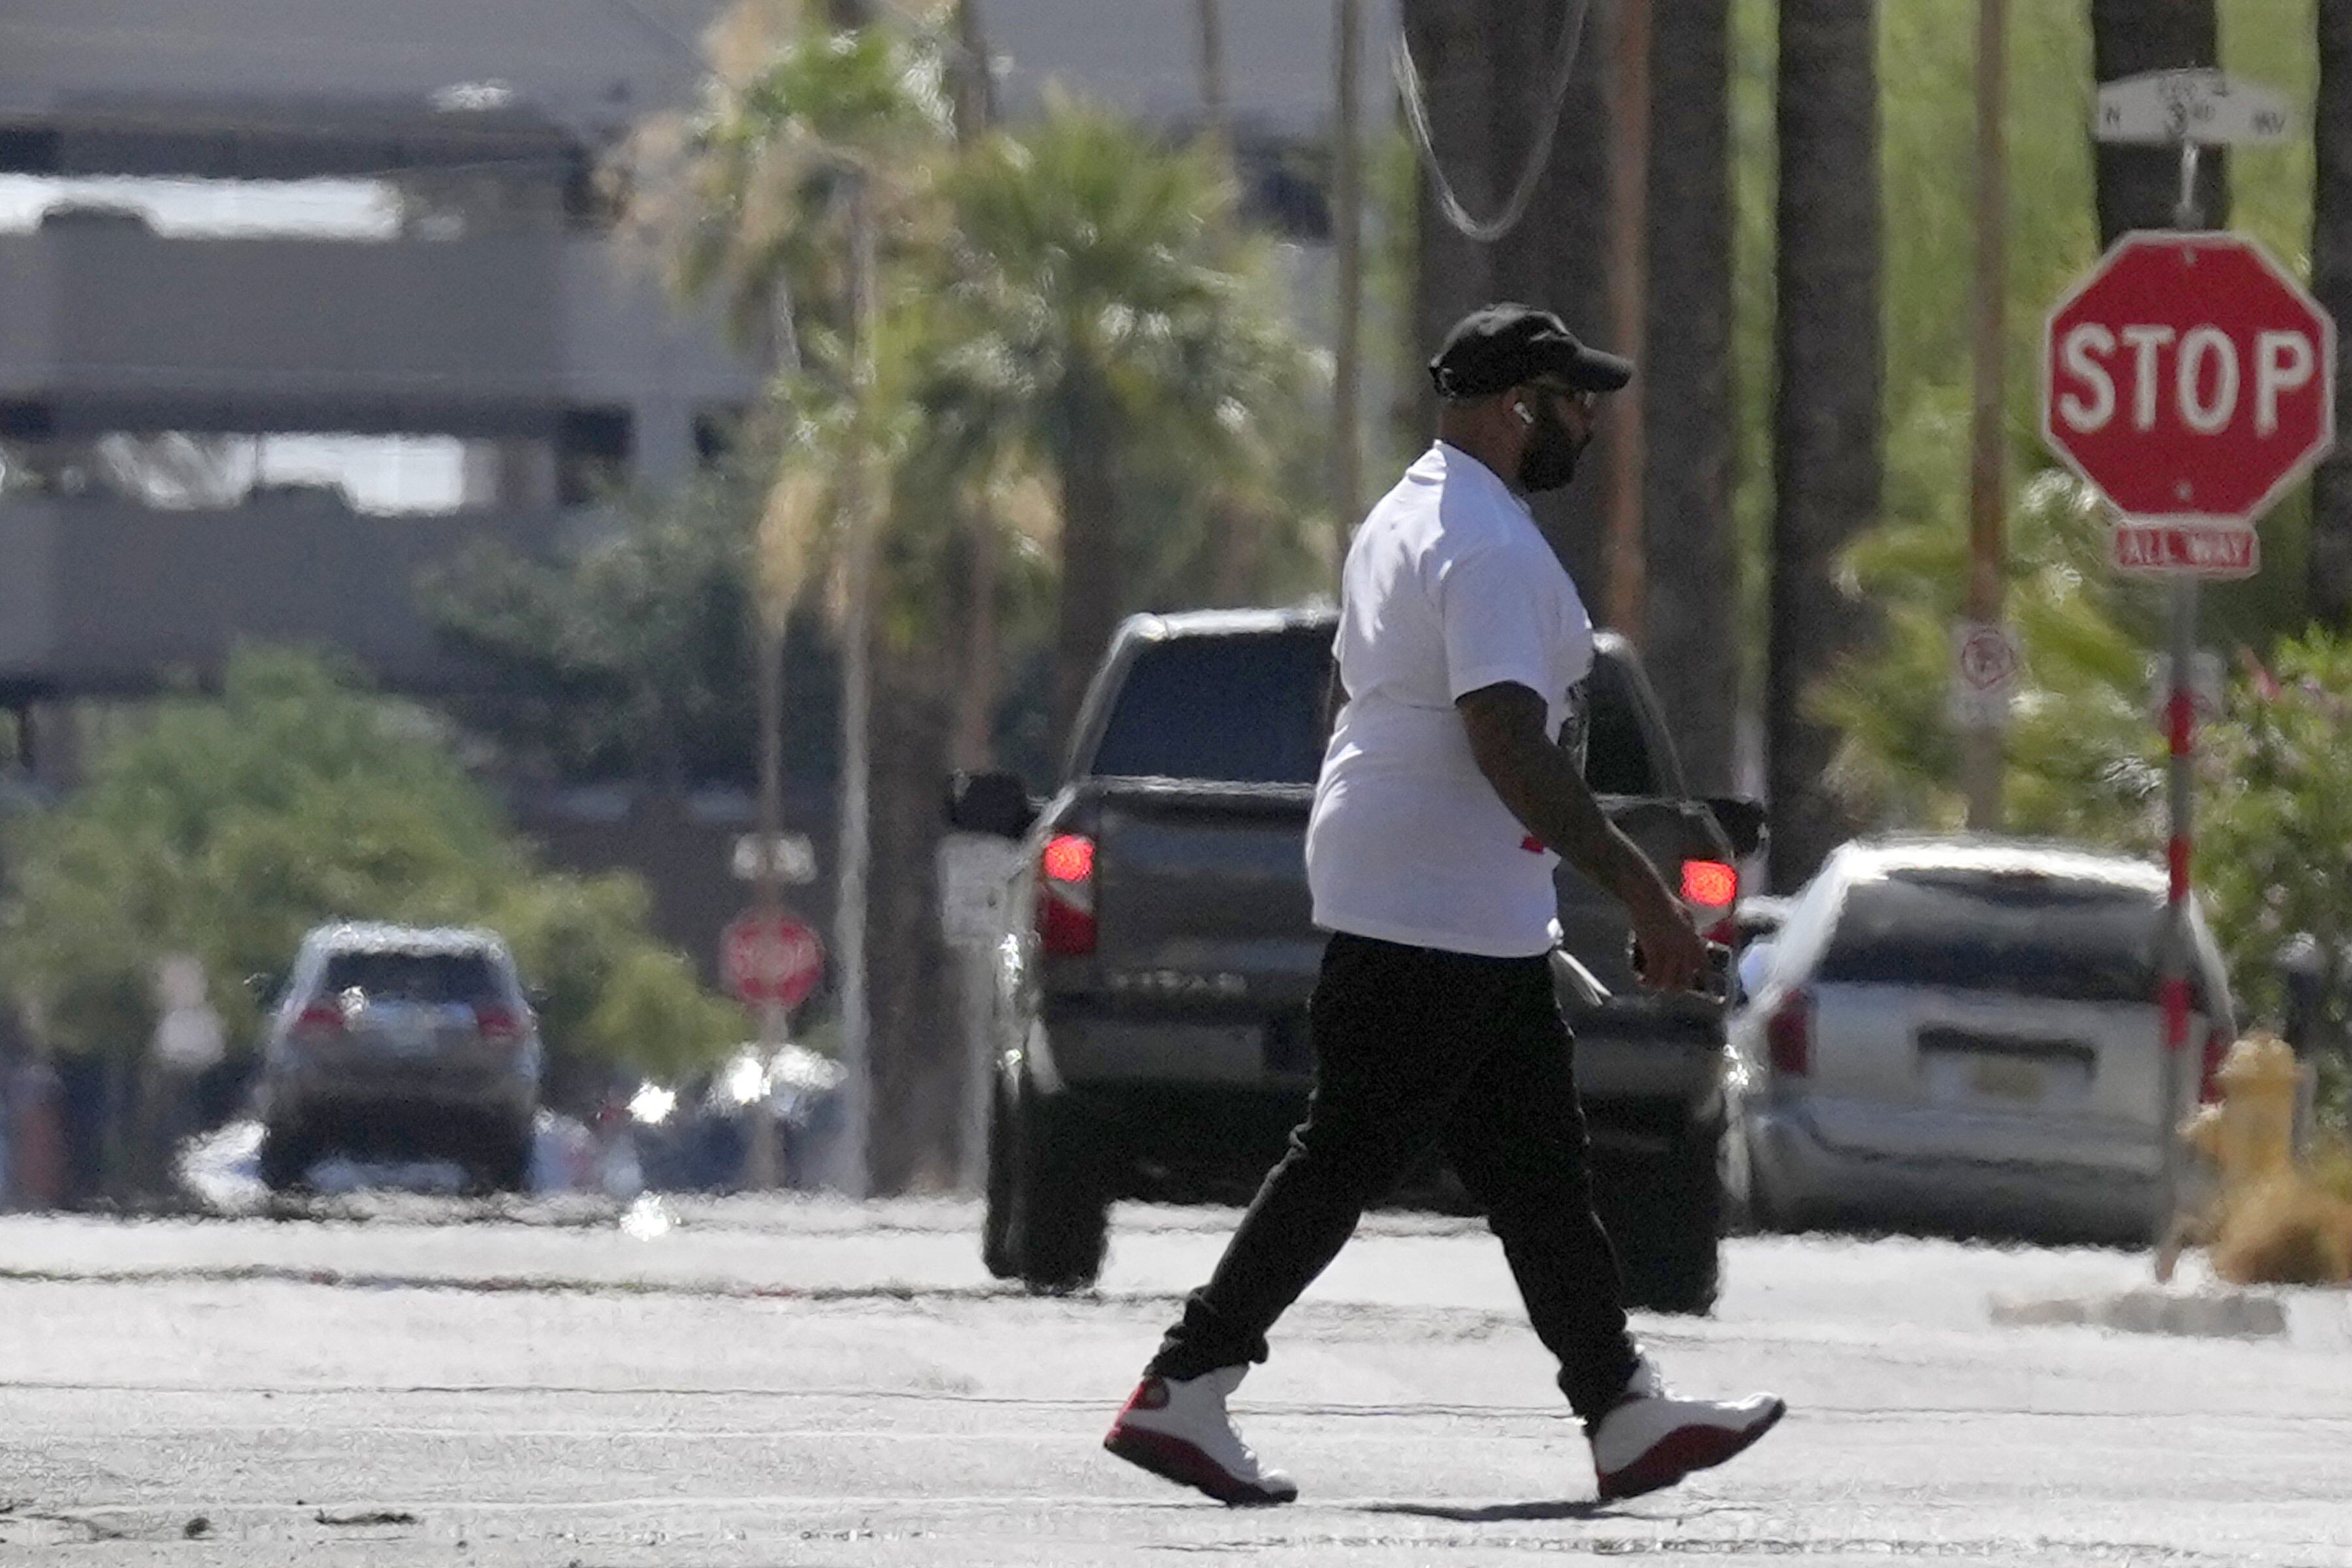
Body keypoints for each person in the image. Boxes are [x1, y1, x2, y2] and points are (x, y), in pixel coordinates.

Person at [1103, 304, 1784, 1507]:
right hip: (1440, 897)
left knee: (1534, 1169)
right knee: (1351, 1150)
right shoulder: (1487, 545)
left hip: (1444, 889)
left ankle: (1620, 1411)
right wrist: (1646, 894)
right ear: (1518, 407)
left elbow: (1356, 701)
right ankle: (1184, 1384)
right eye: (1574, 403)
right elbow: (1508, 740)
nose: (1586, 425)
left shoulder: (1409, 513)